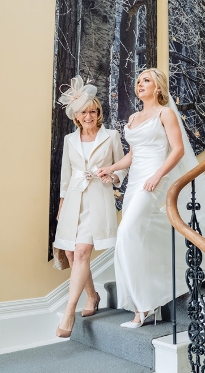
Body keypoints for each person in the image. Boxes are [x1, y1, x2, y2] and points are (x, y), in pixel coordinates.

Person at [97, 68, 185, 328]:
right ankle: (145, 302)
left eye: (146, 80)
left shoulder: (165, 113)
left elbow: (177, 149)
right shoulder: (134, 117)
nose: (140, 84)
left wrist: (158, 175)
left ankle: (143, 307)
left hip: (153, 179)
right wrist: (111, 169)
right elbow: (132, 156)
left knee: (126, 232)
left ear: (158, 87)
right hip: (135, 181)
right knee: (133, 237)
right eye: (137, 81)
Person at [53, 77, 126, 338]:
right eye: (84, 111)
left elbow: (123, 166)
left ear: (99, 114)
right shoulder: (69, 140)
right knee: (72, 255)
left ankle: (68, 312)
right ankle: (92, 296)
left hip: (97, 197)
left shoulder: (112, 136)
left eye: (94, 111)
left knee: (83, 250)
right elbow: (65, 175)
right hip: (73, 200)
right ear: (77, 115)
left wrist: (114, 177)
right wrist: (61, 204)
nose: (89, 116)